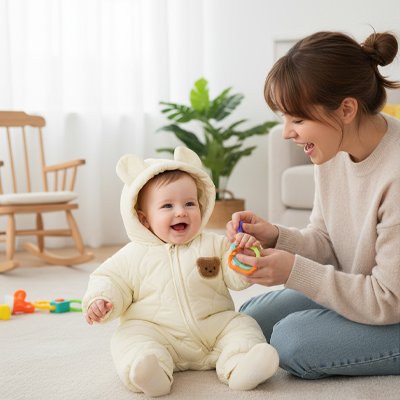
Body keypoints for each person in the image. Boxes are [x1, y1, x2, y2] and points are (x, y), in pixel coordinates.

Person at [226, 31, 400, 379]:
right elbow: (327, 241)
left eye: (298, 120)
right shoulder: (333, 151)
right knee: (248, 321)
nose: (287, 132)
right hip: (367, 288)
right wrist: (275, 236)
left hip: (391, 304)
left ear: (347, 109)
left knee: (292, 340)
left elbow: (388, 299)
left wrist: (294, 271)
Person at [82, 146, 279, 397]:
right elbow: (109, 280)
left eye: (189, 203)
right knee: (129, 339)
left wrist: (246, 257)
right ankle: (150, 374)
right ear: (143, 219)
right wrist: (102, 299)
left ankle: (241, 365)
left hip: (213, 327)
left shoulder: (214, 244)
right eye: (167, 206)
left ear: (201, 205)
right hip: (158, 332)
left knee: (242, 325)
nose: (181, 211)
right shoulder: (131, 255)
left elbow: (236, 277)